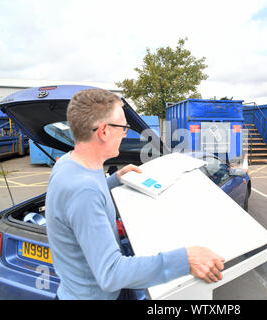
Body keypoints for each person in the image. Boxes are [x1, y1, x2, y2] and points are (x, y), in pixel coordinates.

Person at [46, 88, 225, 300]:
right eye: (123, 128)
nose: (125, 134)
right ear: (104, 131)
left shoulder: (69, 163)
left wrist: (114, 180)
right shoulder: (83, 190)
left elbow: (86, 193)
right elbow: (111, 273)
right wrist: (186, 260)